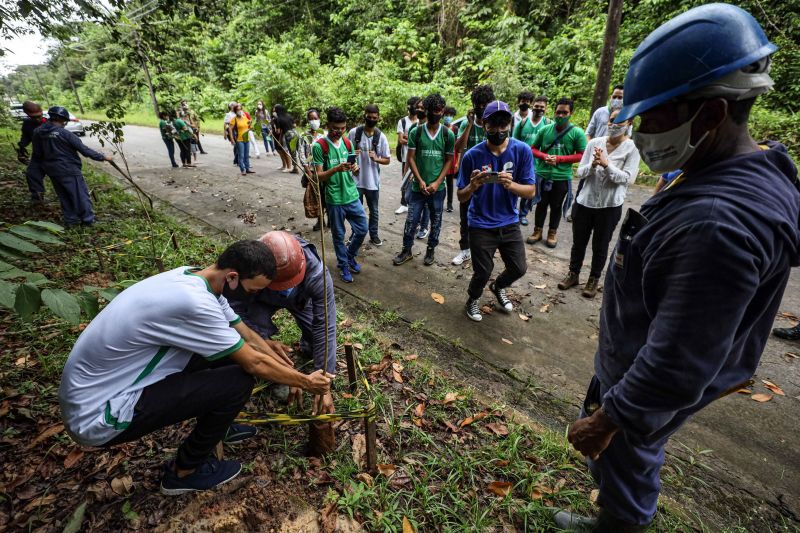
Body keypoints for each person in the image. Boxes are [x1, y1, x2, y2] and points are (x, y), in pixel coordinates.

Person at [556, 5, 799, 532]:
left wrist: (608, 419)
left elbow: (675, 364)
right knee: (629, 453)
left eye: (653, 116)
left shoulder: (716, 225)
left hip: (641, 379)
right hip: (633, 357)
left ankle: (618, 525)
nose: (640, 130)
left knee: (627, 454)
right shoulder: (736, 165)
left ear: (710, 115)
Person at [59, 240, 332, 495]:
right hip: (99, 413)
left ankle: (220, 424)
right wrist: (305, 382)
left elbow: (246, 336)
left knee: (229, 357)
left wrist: (284, 364)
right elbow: (253, 361)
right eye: (253, 291)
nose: (254, 297)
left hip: (110, 382)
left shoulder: (195, 278)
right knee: (239, 382)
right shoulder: (196, 304)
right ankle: (184, 472)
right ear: (233, 277)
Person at [224, 232, 337, 414]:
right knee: (254, 332)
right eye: (280, 283)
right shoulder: (247, 267)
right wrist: (263, 343)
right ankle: (274, 372)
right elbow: (233, 311)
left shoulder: (315, 271)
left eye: (290, 281)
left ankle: (308, 350)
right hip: (260, 300)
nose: (285, 287)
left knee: (316, 339)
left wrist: (325, 381)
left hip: (299, 300)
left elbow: (326, 326)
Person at [456, 101, 536, 322]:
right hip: (480, 223)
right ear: (483, 124)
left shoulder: (521, 150)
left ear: (510, 123)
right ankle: (472, 299)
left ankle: (498, 286)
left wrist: (511, 185)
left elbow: (530, 191)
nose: (499, 130)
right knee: (482, 270)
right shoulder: (472, 155)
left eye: (503, 124)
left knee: (519, 267)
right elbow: (461, 196)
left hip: (509, 221)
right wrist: (472, 186)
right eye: (493, 125)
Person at [558, 109, 639, 299]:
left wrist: (606, 164)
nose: (614, 124)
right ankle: (573, 273)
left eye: (620, 121)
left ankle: (593, 279)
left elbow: (628, 178)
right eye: (611, 120)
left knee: (601, 244)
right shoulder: (595, 143)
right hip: (585, 201)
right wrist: (593, 165)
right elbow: (580, 172)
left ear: (630, 124)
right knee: (579, 242)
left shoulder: (632, 148)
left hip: (609, 205)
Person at [393, 93, 455, 267]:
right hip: (417, 187)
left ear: (442, 111)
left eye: (439, 110)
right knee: (411, 219)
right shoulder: (417, 131)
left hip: (438, 188)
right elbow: (411, 157)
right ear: (426, 111)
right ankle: (406, 250)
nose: (436, 113)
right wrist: (419, 180)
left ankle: (431, 251)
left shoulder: (447, 134)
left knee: (436, 221)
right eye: (432, 110)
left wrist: (436, 183)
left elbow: (449, 160)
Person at [31, 106, 113, 227]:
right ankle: (88, 220)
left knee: (64, 196)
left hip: (52, 171)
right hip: (69, 169)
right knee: (80, 196)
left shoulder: (38, 132)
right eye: (65, 121)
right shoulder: (65, 134)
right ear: (62, 120)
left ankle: (71, 220)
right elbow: (84, 150)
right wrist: (103, 157)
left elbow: (37, 154)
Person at [312, 107, 368, 283]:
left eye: (343, 128)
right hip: (334, 198)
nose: (339, 131)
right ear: (328, 125)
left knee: (362, 229)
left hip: (352, 195)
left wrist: (356, 169)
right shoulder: (319, 146)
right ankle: (343, 265)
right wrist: (336, 168)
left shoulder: (348, 143)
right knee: (338, 235)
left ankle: (350, 255)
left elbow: (355, 171)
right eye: (336, 128)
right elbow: (318, 176)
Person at [527, 98, 586, 248]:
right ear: (554, 112)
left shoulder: (577, 133)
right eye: (558, 112)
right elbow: (533, 148)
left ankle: (552, 232)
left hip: (562, 177)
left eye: (564, 113)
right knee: (541, 204)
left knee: (556, 206)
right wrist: (544, 156)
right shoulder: (544, 130)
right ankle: (537, 231)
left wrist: (559, 159)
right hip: (543, 174)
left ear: (571, 113)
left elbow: (581, 154)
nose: (560, 115)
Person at [452, 85, 496, 266]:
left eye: (485, 103)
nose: (481, 107)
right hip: (468, 177)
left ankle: (485, 250)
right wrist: (470, 124)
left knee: (488, 214)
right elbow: (458, 147)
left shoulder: (493, 125)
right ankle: (465, 250)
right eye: (478, 103)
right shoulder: (466, 123)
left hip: (489, 178)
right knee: (465, 215)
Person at [349, 104, 390, 246]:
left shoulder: (381, 137)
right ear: (364, 116)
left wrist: (377, 159)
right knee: (355, 211)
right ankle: (355, 235)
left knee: (374, 211)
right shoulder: (354, 133)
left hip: (372, 181)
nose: (371, 119)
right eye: (369, 117)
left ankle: (374, 235)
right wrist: (352, 155)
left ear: (378, 118)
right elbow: (345, 153)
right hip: (356, 180)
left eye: (374, 117)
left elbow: (387, 159)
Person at [512, 96, 550, 225]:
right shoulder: (522, 123)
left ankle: (523, 214)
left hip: (537, 164)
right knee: (513, 187)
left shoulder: (548, 124)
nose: (539, 109)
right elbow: (513, 142)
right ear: (532, 106)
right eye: (537, 106)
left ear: (546, 109)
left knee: (528, 190)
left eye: (542, 107)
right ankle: (512, 211)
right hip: (519, 162)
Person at [298, 109, 327, 231]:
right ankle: (320, 221)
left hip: (324, 170)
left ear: (320, 119)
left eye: (315, 118)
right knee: (316, 196)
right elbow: (301, 154)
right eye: (311, 118)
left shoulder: (324, 135)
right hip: (311, 171)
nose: (313, 121)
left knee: (326, 195)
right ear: (308, 121)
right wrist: (308, 172)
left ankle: (330, 219)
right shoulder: (304, 136)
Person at [394, 96, 422, 215]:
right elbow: (400, 140)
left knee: (417, 180)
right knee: (405, 179)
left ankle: (414, 203)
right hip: (406, 155)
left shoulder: (420, 122)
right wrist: (411, 139)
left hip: (418, 158)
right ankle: (403, 203)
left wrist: (408, 137)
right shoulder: (403, 121)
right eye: (414, 106)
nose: (416, 109)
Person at [17, 100, 47, 202]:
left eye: (39, 116)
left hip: (55, 155)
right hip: (38, 155)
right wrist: (22, 146)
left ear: (42, 111)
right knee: (32, 173)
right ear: (27, 114)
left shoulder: (51, 122)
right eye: (34, 117)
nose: (38, 119)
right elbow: (26, 136)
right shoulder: (27, 124)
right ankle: (37, 197)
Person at [228, 104, 255, 176]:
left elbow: (248, 125)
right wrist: (232, 139)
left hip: (247, 138)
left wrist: (251, 126)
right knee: (241, 155)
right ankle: (242, 170)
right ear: (235, 111)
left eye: (240, 109)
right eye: (238, 110)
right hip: (239, 139)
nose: (240, 111)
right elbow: (230, 129)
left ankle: (247, 168)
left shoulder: (244, 117)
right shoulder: (234, 119)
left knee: (246, 155)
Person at [443, 106, 459, 212]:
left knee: (450, 182)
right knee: (439, 182)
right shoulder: (440, 128)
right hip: (441, 158)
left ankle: (449, 204)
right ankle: (438, 201)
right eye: (446, 115)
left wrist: (457, 161)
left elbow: (457, 147)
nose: (448, 117)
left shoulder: (455, 129)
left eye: (450, 115)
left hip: (452, 159)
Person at [272, 104, 295, 173]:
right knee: (293, 151)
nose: (274, 111)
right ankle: (292, 167)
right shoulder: (289, 115)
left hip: (286, 134)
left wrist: (273, 130)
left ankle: (289, 167)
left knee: (285, 151)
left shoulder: (279, 119)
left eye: (275, 109)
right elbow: (294, 125)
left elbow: (278, 131)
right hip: (293, 133)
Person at [223, 102, 238, 167]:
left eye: (235, 104)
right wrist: (225, 134)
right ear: (230, 107)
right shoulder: (228, 114)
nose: (234, 105)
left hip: (238, 130)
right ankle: (236, 160)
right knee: (236, 145)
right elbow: (225, 124)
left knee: (238, 146)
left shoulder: (238, 113)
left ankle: (237, 160)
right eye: (232, 104)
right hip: (232, 130)